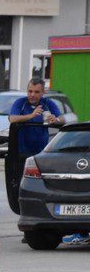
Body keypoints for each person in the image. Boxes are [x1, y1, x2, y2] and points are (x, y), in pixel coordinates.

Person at [8, 78, 87, 245]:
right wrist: (31, 116)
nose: (32, 95)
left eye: (36, 92)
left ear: (43, 92)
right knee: (22, 192)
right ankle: (30, 226)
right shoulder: (20, 103)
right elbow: (12, 119)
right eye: (30, 91)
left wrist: (55, 120)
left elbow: (63, 121)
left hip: (42, 156)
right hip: (22, 154)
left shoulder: (48, 103)